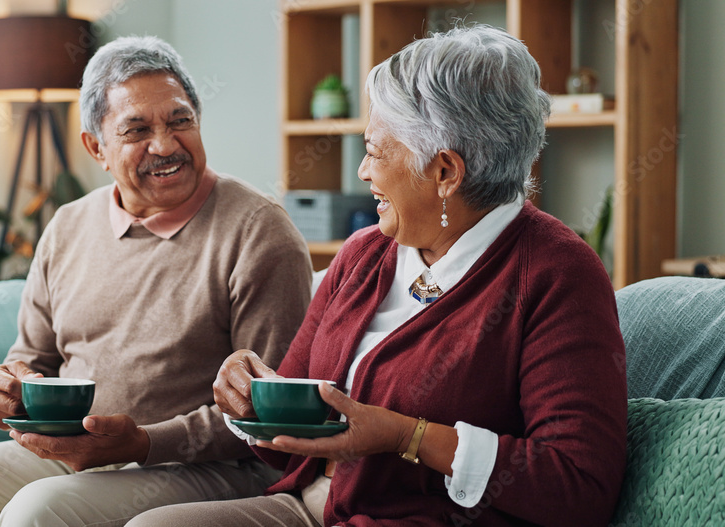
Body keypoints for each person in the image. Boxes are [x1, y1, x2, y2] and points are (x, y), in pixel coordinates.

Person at [126, 25, 627, 527]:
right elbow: (285, 446)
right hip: (307, 507)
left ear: (446, 172)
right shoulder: (364, 254)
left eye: (375, 150)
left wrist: (407, 436)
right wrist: (252, 392)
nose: (363, 171)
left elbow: (579, 486)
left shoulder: (557, 272)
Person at [0, 35, 313, 526]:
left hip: (208, 467)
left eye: (179, 120)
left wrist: (143, 443)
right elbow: (32, 359)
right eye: (137, 129)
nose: (165, 145)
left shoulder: (259, 230)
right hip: (75, 450)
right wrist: (9, 387)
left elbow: (271, 417)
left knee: (39, 511)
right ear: (96, 148)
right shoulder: (66, 226)